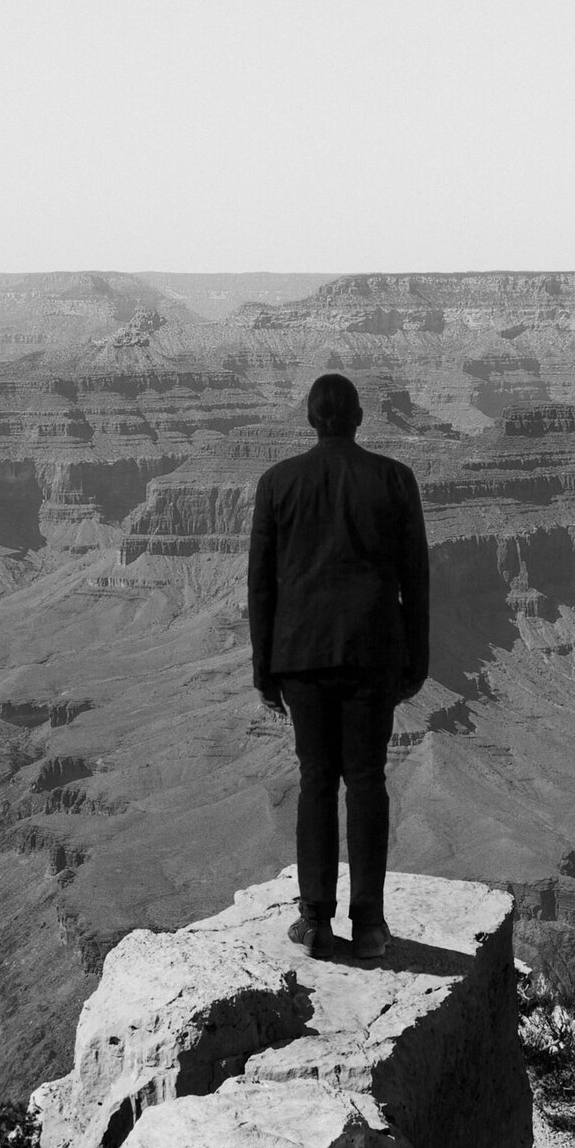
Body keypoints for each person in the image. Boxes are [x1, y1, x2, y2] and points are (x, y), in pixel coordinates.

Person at [247, 372, 430, 961]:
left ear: (310, 418)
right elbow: (416, 580)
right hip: (373, 652)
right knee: (368, 780)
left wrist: (263, 668)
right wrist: (416, 660)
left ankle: (316, 921)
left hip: (299, 655)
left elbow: (261, 585)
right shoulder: (394, 480)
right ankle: (371, 925)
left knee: (316, 781)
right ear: (357, 418)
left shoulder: (276, 483)